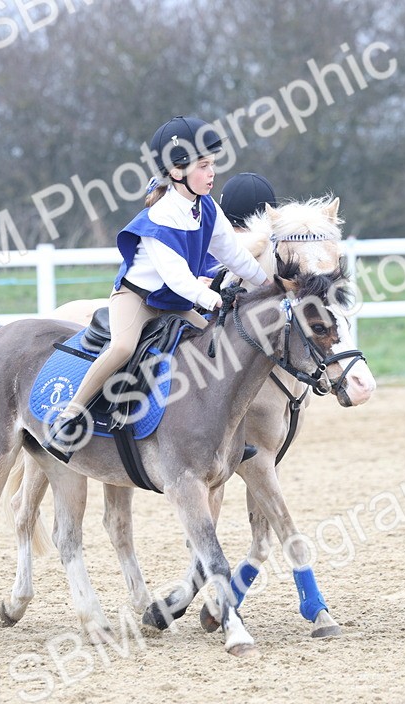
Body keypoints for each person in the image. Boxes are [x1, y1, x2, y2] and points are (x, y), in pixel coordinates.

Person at [44, 116, 271, 456]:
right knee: (121, 348)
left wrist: (270, 286)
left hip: (174, 303)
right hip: (137, 299)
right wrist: (213, 301)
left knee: (220, 347)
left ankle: (227, 434)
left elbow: (235, 256)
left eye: (213, 165)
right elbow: (177, 277)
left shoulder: (206, 208)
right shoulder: (160, 217)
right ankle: (69, 416)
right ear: (177, 170)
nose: (212, 174)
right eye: (204, 166)